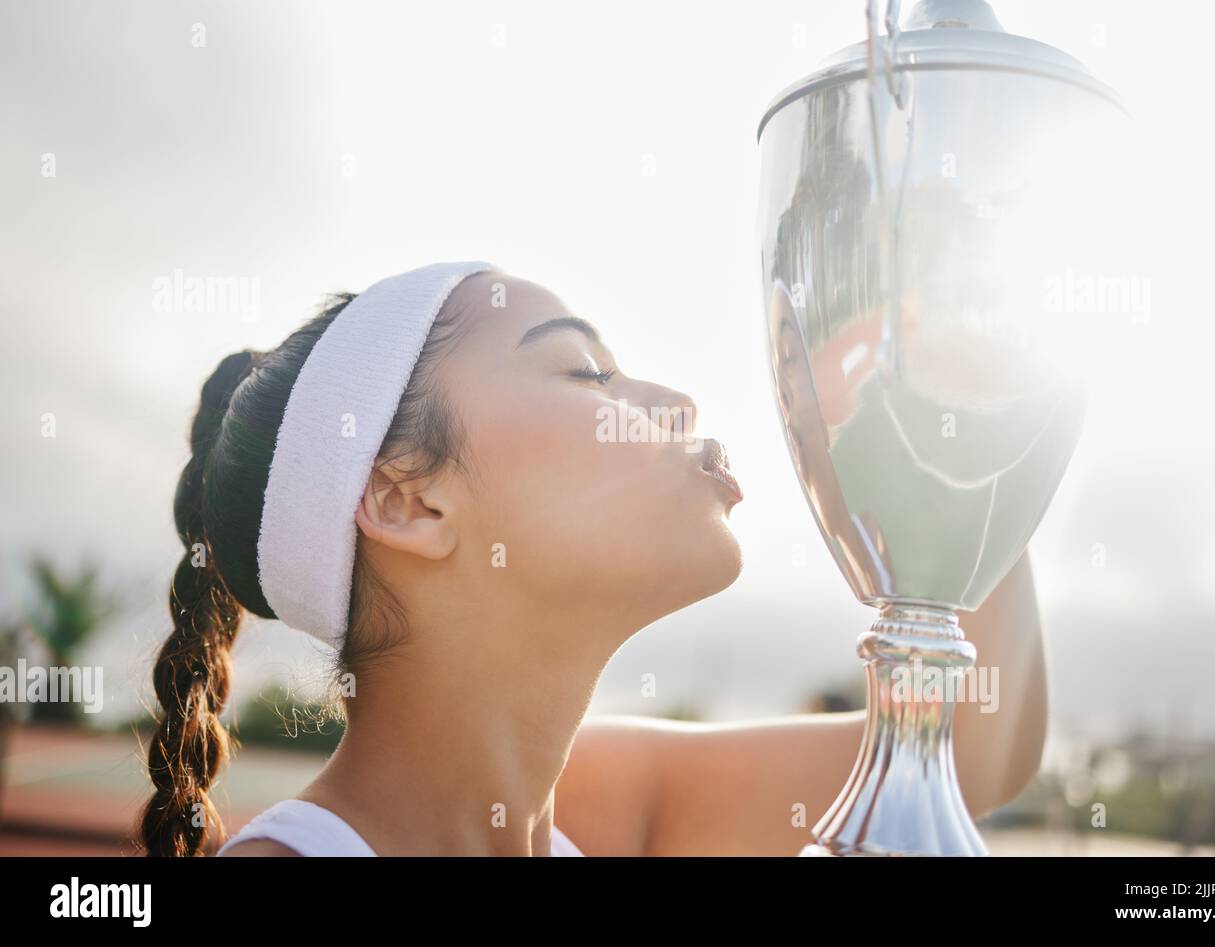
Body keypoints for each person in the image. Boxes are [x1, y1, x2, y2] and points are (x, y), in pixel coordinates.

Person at [138, 261, 1046, 857]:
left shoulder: (597, 805)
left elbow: (954, 752)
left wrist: (946, 429)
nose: (678, 401)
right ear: (406, 499)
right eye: (585, 372)